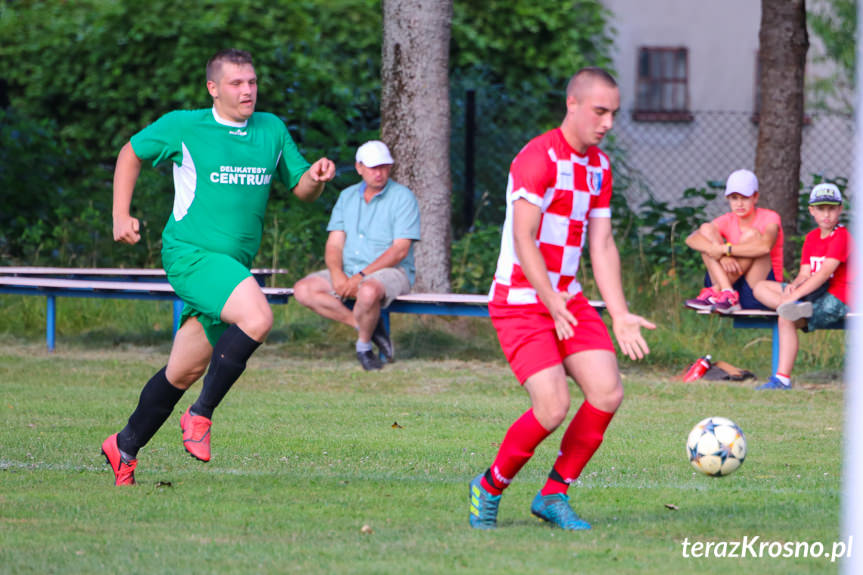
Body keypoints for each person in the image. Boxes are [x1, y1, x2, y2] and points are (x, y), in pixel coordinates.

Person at [101, 49, 336, 486]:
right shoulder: (184, 126)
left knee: (184, 371)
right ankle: (200, 415)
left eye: (252, 82)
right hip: (190, 255)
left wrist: (317, 178)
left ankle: (124, 446)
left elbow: (302, 189)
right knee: (258, 316)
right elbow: (130, 153)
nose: (247, 90)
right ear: (213, 88)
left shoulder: (271, 129)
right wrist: (120, 214)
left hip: (231, 268)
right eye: (236, 83)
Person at [468, 67, 655, 531]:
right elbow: (524, 237)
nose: (608, 122)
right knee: (551, 406)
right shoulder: (537, 158)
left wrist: (620, 313)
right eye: (600, 111)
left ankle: (553, 494)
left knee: (608, 391)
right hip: (519, 299)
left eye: (613, 113)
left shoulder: (600, 167)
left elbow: (602, 244)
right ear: (572, 104)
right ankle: (489, 486)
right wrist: (548, 299)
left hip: (565, 298)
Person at [292, 141, 420, 371]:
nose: (379, 173)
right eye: (373, 167)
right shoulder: (347, 197)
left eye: (384, 167)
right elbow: (334, 244)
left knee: (368, 291)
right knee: (303, 290)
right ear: (359, 167)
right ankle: (368, 327)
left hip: (392, 272)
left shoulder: (403, 197)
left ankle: (363, 347)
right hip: (350, 269)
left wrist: (360, 276)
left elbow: (400, 250)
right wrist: (337, 274)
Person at [753, 183, 854, 390]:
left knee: (786, 316)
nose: (826, 214)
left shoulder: (842, 236)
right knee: (761, 287)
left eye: (831, 208)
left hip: (838, 296)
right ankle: (793, 306)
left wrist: (795, 295)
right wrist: (794, 287)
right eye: (821, 209)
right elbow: (805, 274)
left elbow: (826, 272)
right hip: (812, 292)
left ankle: (782, 379)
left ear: (840, 209)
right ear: (812, 211)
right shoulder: (811, 238)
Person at [684, 169, 784, 313]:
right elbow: (691, 238)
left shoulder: (770, 218)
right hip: (729, 291)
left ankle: (719, 290)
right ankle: (726, 291)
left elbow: (765, 247)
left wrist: (725, 250)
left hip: (758, 291)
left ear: (755, 197)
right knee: (706, 230)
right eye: (734, 198)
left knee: (752, 236)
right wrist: (721, 255)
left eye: (745, 198)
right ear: (728, 199)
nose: (739, 204)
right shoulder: (727, 219)